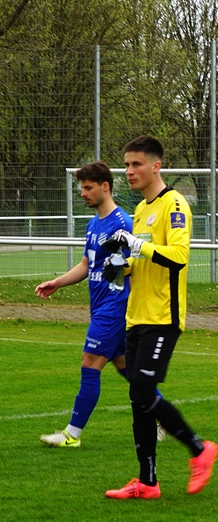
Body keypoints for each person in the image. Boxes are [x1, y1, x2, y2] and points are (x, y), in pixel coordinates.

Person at [103, 136, 218, 500]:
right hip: (136, 316)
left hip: (163, 316)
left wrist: (136, 245)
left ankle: (200, 449)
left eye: (136, 164)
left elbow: (179, 256)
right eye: (126, 164)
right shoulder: (140, 209)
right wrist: (119, 265)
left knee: (141, 391)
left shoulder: (175, 204)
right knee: (139, 398)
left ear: (156, 166)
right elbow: (142, 262)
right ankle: (147, 482)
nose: (129, 171)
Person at [36, 161, 154, 447]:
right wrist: (58, 283)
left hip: (115, 306)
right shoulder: (92, 224)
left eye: (88, 188)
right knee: (128, 369)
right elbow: (86, 265)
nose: (83, 193)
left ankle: (71, 435)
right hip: (100, 306)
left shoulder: (123, 223)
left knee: (90, 362)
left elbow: (138, 265)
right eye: (82, 188)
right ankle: (161, 418)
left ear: (105, 187)